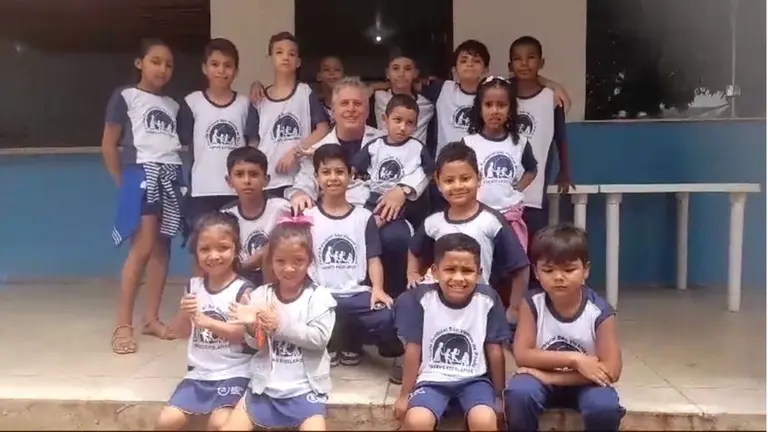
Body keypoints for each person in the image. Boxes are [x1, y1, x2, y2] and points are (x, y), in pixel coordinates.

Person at [287, 77, 411, 314]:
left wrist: (401, 190)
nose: (351, 109)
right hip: (337, 218)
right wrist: (300, 194)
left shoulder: (385, 142)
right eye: (344, 104)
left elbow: (407, 171)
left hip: (379, 215)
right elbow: (304, 181)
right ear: (332, 110)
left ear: (368, 109)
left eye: (358, 103)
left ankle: (390, 308)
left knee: (397, 238)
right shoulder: (320, 147)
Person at [102, 38, 184, 354]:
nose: (162, 68)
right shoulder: (125, 96)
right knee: (143, 246)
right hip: (141, 173)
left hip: (171, 174)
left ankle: (151, 318)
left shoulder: (173, 106)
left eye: (168, 64)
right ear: (140, 63)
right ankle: (123, 324)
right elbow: (109, 143)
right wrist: (123, 180)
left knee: (162, 247)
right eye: (155, 61)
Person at [504, 225, 624, 431]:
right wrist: (575, 359)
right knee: (519, 393)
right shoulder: (532, 303)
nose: (558, 277)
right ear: (536, 272)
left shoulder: (599, 311)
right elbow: (523, 354)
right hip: (540, 381)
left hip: (584, 383)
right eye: (548, 270)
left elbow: (611, 370)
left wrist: (550, 376)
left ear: (585, 270)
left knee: (604, 406)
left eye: (569, 270)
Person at [224, 217, 337, 431]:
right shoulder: (260, 296)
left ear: (309, 261)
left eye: (298, 261)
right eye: (280, 261)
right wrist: (251, 327)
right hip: (265, 386)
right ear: (270, 262)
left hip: (305, 387)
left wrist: (279, 326)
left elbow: (319, 339)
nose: (289, 268)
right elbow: (257, 345)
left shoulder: (319, 297)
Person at [305, 144, 403, 377]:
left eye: (339, 172)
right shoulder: (308, 218)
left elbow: (373, 258)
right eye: (326, 172)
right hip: (319, 293)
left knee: (388, 314)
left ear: (351, 175)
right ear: (316, 177)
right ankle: (332, 344)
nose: (333, 178)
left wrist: (377, 289)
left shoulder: (364, 217)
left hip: (357, 293)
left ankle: (353, 343)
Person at [394, 233, 510, 431]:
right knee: (417, 421)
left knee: (484, 421)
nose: (458, 278)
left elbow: (495, 350)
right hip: (432, 380)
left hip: (475, 380)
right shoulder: (420, 300)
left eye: (467, 270)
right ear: (435, 271)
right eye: (450, 270)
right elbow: (413, 348)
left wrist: (499, 395)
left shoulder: (488, 300)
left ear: (479, 272)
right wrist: (405, 394)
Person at [407, 142, 530, 322]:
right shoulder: (433, 222)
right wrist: (412, 273)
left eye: (465, 178)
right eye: (449, 181)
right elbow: (414, 249)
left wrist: (514, 307)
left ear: (478, 178)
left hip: (477, 302)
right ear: (438, 182)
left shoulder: (491, 221)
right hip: (438, 300)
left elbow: (520, 266)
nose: (458, 186)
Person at [157, 212, 254, 431]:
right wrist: (184, 312)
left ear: (236, 250)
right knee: (166, 421)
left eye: (223, 248)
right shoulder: (194, 287)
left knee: (219, 423)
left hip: (234, 372)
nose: (214, 255)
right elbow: (180, 332)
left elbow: (243, 334)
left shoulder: (243, 290)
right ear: (196, 253)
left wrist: (207, 322)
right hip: (199, 374)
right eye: (205, 249)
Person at [178, 38, 260, 255]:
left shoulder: (244, 105)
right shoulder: (192, 102)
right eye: (215, 64)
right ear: (205, 68)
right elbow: (185, 145)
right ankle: (198, 289)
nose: (221, 71)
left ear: (236, 70)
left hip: (236, 190)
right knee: (201, 247)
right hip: (202, 190)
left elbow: (252, 144)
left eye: (228, 65)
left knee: (233, 246)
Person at [508, 36, 573, 252]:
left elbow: (560, 137)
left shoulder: (551, 99)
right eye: (518, 59)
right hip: (502, 184)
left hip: (535, 187)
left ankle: (535, 284)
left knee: (534, 242)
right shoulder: (502, 94)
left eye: (531, 58)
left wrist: (565, 172)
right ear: (510, 66)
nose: (524, 63)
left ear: (541, 63)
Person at [463, 76, 538, 251]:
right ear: (479, 109)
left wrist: (519, 186)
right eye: (488, 105)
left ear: (510, 109)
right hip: (477, 216)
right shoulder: (468, 143)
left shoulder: (519, 142)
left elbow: (532, 169)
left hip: (510, 216)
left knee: (512, 265)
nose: (495, 110)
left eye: (501, 105)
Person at [253, 32, 330, 199]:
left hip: (299, 179)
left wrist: (295, 152)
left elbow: (323, 128)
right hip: (267, 179)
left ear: (298, 62)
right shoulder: (259, 98)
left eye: (291, 53)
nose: (285, 57)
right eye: (279, 52)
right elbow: (253, 142)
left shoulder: (305, 92)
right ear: (270, 58)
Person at [352, 94, 435, 226]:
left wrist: (405, 189)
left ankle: (380, 221)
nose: (402, 127)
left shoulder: (417, 147)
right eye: (397, 120)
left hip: (403, 199)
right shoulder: (375, 145)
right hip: (375, 194)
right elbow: (354, 167)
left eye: (409, 123)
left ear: (416, 126)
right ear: (385, 119)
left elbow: (430, 171)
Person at [220, 147, 290, 286]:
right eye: (239, 174)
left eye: (254, 174)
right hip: (240, 276)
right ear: (229, 181)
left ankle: (268, 297)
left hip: (278, 276)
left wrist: (262, 254)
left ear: (266, 180)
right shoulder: (226, 215)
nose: (247, 181)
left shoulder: (282, 208)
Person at [368, 47, 435, 143]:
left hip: (415, 155)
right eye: (395, 68)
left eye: (407, 69)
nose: (401, 73)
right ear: (387, 73)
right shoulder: (378, 97)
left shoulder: (427, 103)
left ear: (415, 73)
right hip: (385, 154)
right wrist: (373, 86)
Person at [316, 55, 344, 123]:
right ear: (319, 76)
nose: (332, 73)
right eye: (326, 69)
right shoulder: (314, 106)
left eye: (337, 70)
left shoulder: (350, 105)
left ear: (343, 76)